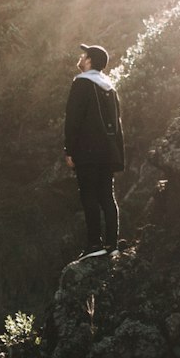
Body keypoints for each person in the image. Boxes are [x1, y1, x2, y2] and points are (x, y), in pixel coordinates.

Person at [63, 42, 125, 259]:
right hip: (108, 152)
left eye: (83, 55)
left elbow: (73, 120)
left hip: (87, 151)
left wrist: (69, 150)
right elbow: (117, 125)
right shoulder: (109, 87)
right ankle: (112, 245)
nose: (80, 58)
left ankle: (94, 244)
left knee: (89, 195)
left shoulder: (81, 84)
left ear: (89, 61)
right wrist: (118, 155)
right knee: (107, 196)